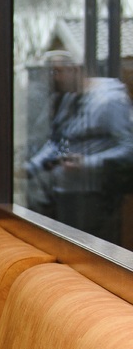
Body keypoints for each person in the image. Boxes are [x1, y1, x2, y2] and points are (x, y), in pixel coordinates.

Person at [23, 49, 133, 244]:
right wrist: (30, 168)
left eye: (57, 72)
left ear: (75, 70)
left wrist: (88, 163)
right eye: (50, 73)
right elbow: (59, 141)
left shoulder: (109, 100)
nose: (54, 79)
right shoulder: (69, 98)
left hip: (94, 195)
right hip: (66, 192)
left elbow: (128, 147)